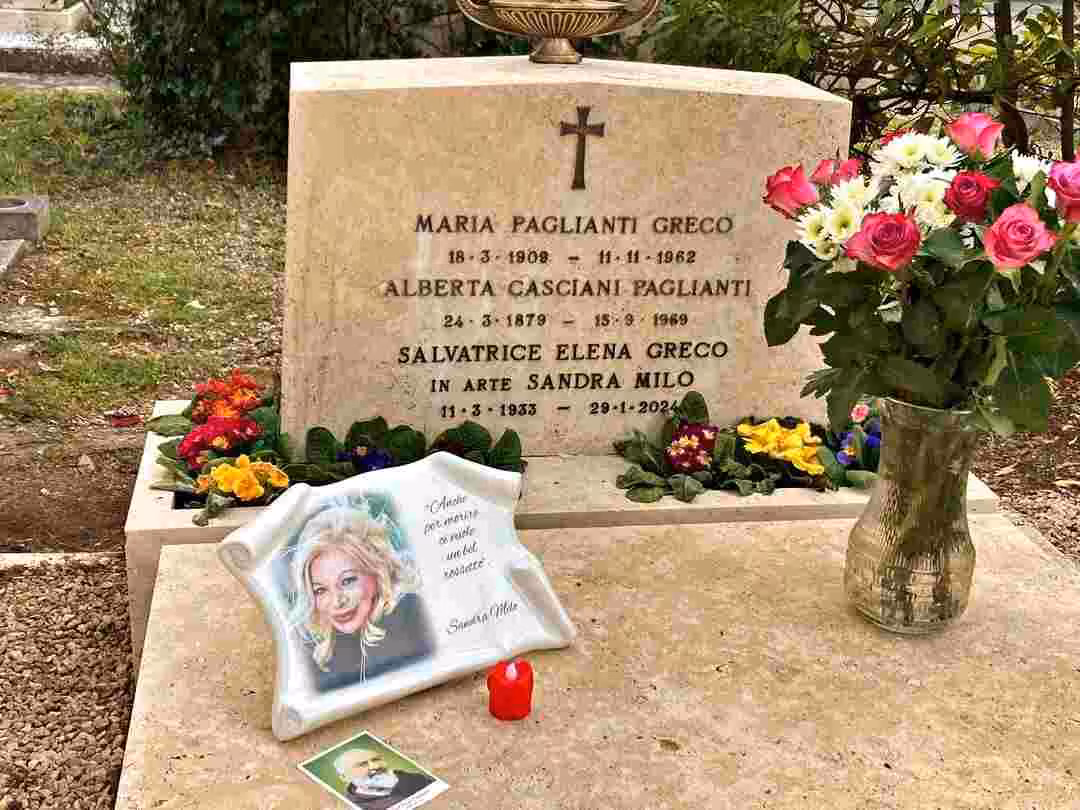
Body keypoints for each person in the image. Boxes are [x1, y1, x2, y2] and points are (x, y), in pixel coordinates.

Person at [286, 499, 434, 691]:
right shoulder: (330, 649)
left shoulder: (409, 613)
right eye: (320, 590)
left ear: (377, 570)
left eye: (348, 581)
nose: (337, 601)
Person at [333, 748, 435, 809]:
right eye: (362, 764)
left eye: (376, 759)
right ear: (344, 777)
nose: (376, 766)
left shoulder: (414, 777)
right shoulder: (352, 805)